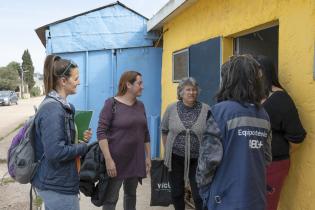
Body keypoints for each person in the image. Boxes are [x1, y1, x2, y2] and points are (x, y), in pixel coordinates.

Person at [196, 55, 272, 210]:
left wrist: (205, 193)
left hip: (224, 199)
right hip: (255, 198)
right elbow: (266, 158)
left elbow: (207, 162)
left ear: (228, 81)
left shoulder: (220, 112)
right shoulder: (263, 114)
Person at [32, 55, 92, 210]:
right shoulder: (53, 109)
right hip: (57, 186)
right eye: (76, 78)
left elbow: (60, 142)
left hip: (58, 181)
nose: (79, 82)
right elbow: (55, 152)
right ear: (63, 81)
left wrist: (78, 139)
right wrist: (83, 147)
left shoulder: (62, 106)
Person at [255, 55, 306, 210]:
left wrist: (278, 153)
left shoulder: (281, 99)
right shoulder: (256, 96)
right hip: (253, 162)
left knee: (266, 206)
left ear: (262, 72)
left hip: (273, 164)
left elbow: (297, 137)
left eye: (252, 71)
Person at [97, 71, 151, 210]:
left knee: (131, 195)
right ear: (128, 85)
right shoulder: (111, 103)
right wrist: (108, 159)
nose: (142, 86)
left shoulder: (141, 106)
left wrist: (148, 157)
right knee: (111, 199)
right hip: (116, 161)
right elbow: (101, 132)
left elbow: (145, 132)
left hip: (135, 159)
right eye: (139, 83)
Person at [161, 77, 209, 210]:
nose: (192, 92)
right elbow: (164, 130)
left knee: (199, 194)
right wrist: (167, 152)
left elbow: (212, 134)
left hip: (198, 159)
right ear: (181, 92)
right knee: (177, 193)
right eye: (188, 89)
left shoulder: (206, 109)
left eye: (194, 90)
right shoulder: (171, 108)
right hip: (175, 158)